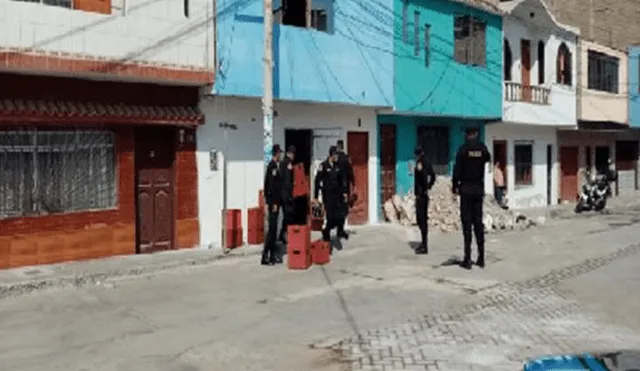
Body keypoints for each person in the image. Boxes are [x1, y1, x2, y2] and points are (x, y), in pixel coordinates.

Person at [452, 128, 491, 269]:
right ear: (476, 134)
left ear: (467, 135)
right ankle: (481, 258)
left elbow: (457, 171)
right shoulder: (482, 148)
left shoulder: (463, 150)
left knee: (467, 225)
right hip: (478, 189)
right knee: (478, 224)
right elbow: (488, 158)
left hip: (466, 190)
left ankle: (467, 259)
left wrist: (454, 186)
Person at [313, 146, 348, 250]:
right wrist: (315, 196)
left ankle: (327, 231)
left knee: (339, 216)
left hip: (337, 196)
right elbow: (317, 181)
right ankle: (326, 235)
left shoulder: (338, 166)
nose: (337, 156)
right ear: (331, 155)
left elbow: (343, 180)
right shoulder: (323, 166)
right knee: (330, 217)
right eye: (336, 154)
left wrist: (345, 193)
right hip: (327, 196)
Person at [261, 144, 283, 266]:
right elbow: (271, 187)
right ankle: (265, 256)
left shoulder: (275, 166)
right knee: (272, 231)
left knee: (274, 231)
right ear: (276, 153)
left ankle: (273, 255)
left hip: (275, 202)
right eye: (280, 153)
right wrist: (273, 203)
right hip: (273, 203)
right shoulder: (272, 167)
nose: (280, 155)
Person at [413, 146, 436, 255]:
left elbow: (423, 177)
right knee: (422, 219)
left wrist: (425, 188)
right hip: (424, 194)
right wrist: (429, 186)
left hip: (421, 195)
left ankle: (424, 245)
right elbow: (433, 175)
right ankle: (423, 243)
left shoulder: (420, 163)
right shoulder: (427, 161)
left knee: (421, 219)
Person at [336, 140, 354, 240]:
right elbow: (351, 172)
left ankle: (338, 228)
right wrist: (353, 183)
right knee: (343, 209)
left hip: (335, 187)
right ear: (343, 146)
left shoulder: (334, 158)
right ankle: (340, 229)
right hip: (344, 187)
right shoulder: (346, 158)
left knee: (336, 208)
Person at [278, 145, 296, 246]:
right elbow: (288, 181)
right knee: (288, 216)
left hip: (282, 194)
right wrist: (290, 195)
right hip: (286, 194)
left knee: (287, 215)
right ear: (290, 153)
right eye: (293, 154)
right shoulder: (288, 163)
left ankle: (283, 234)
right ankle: (284, 235)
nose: (294, 157)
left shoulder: (282, 162)